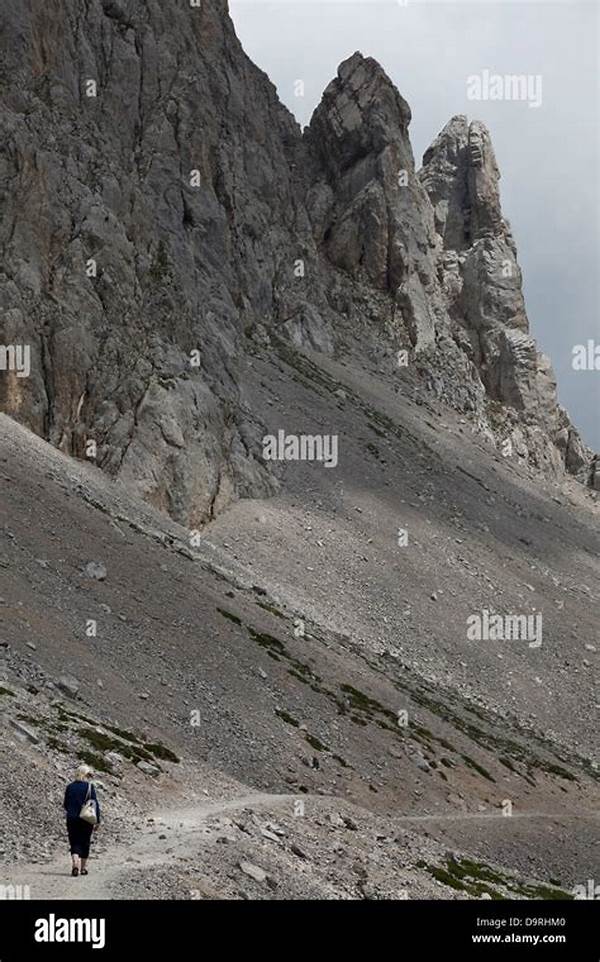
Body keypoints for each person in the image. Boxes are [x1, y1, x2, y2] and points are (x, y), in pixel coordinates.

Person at [63, 764, 101, 877]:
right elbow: (94, 804)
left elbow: (65, 804)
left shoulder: (70, 787)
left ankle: (75, 863)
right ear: (85, 775)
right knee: (85, 841)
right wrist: (97, 820)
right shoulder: (89, 787)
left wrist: (72, 811)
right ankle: (83, 868)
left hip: (72, 818)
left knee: (74, 841)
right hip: (86, 818)